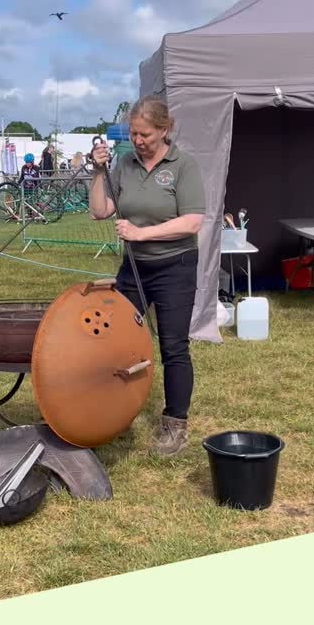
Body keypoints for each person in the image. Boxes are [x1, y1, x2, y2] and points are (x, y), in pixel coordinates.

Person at [88, 96, 205, 456]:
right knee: (118, 342)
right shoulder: (124, 164)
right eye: (134, 134)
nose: (138, 141)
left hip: (175, 267)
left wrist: (142, 234)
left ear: (164, 129)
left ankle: (174, 426)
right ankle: (117, 413)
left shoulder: (183, 166)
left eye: (145, 135)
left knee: (173, 347)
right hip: (134, 268)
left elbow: (192, 221)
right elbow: (100, 211)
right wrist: (97, 172)